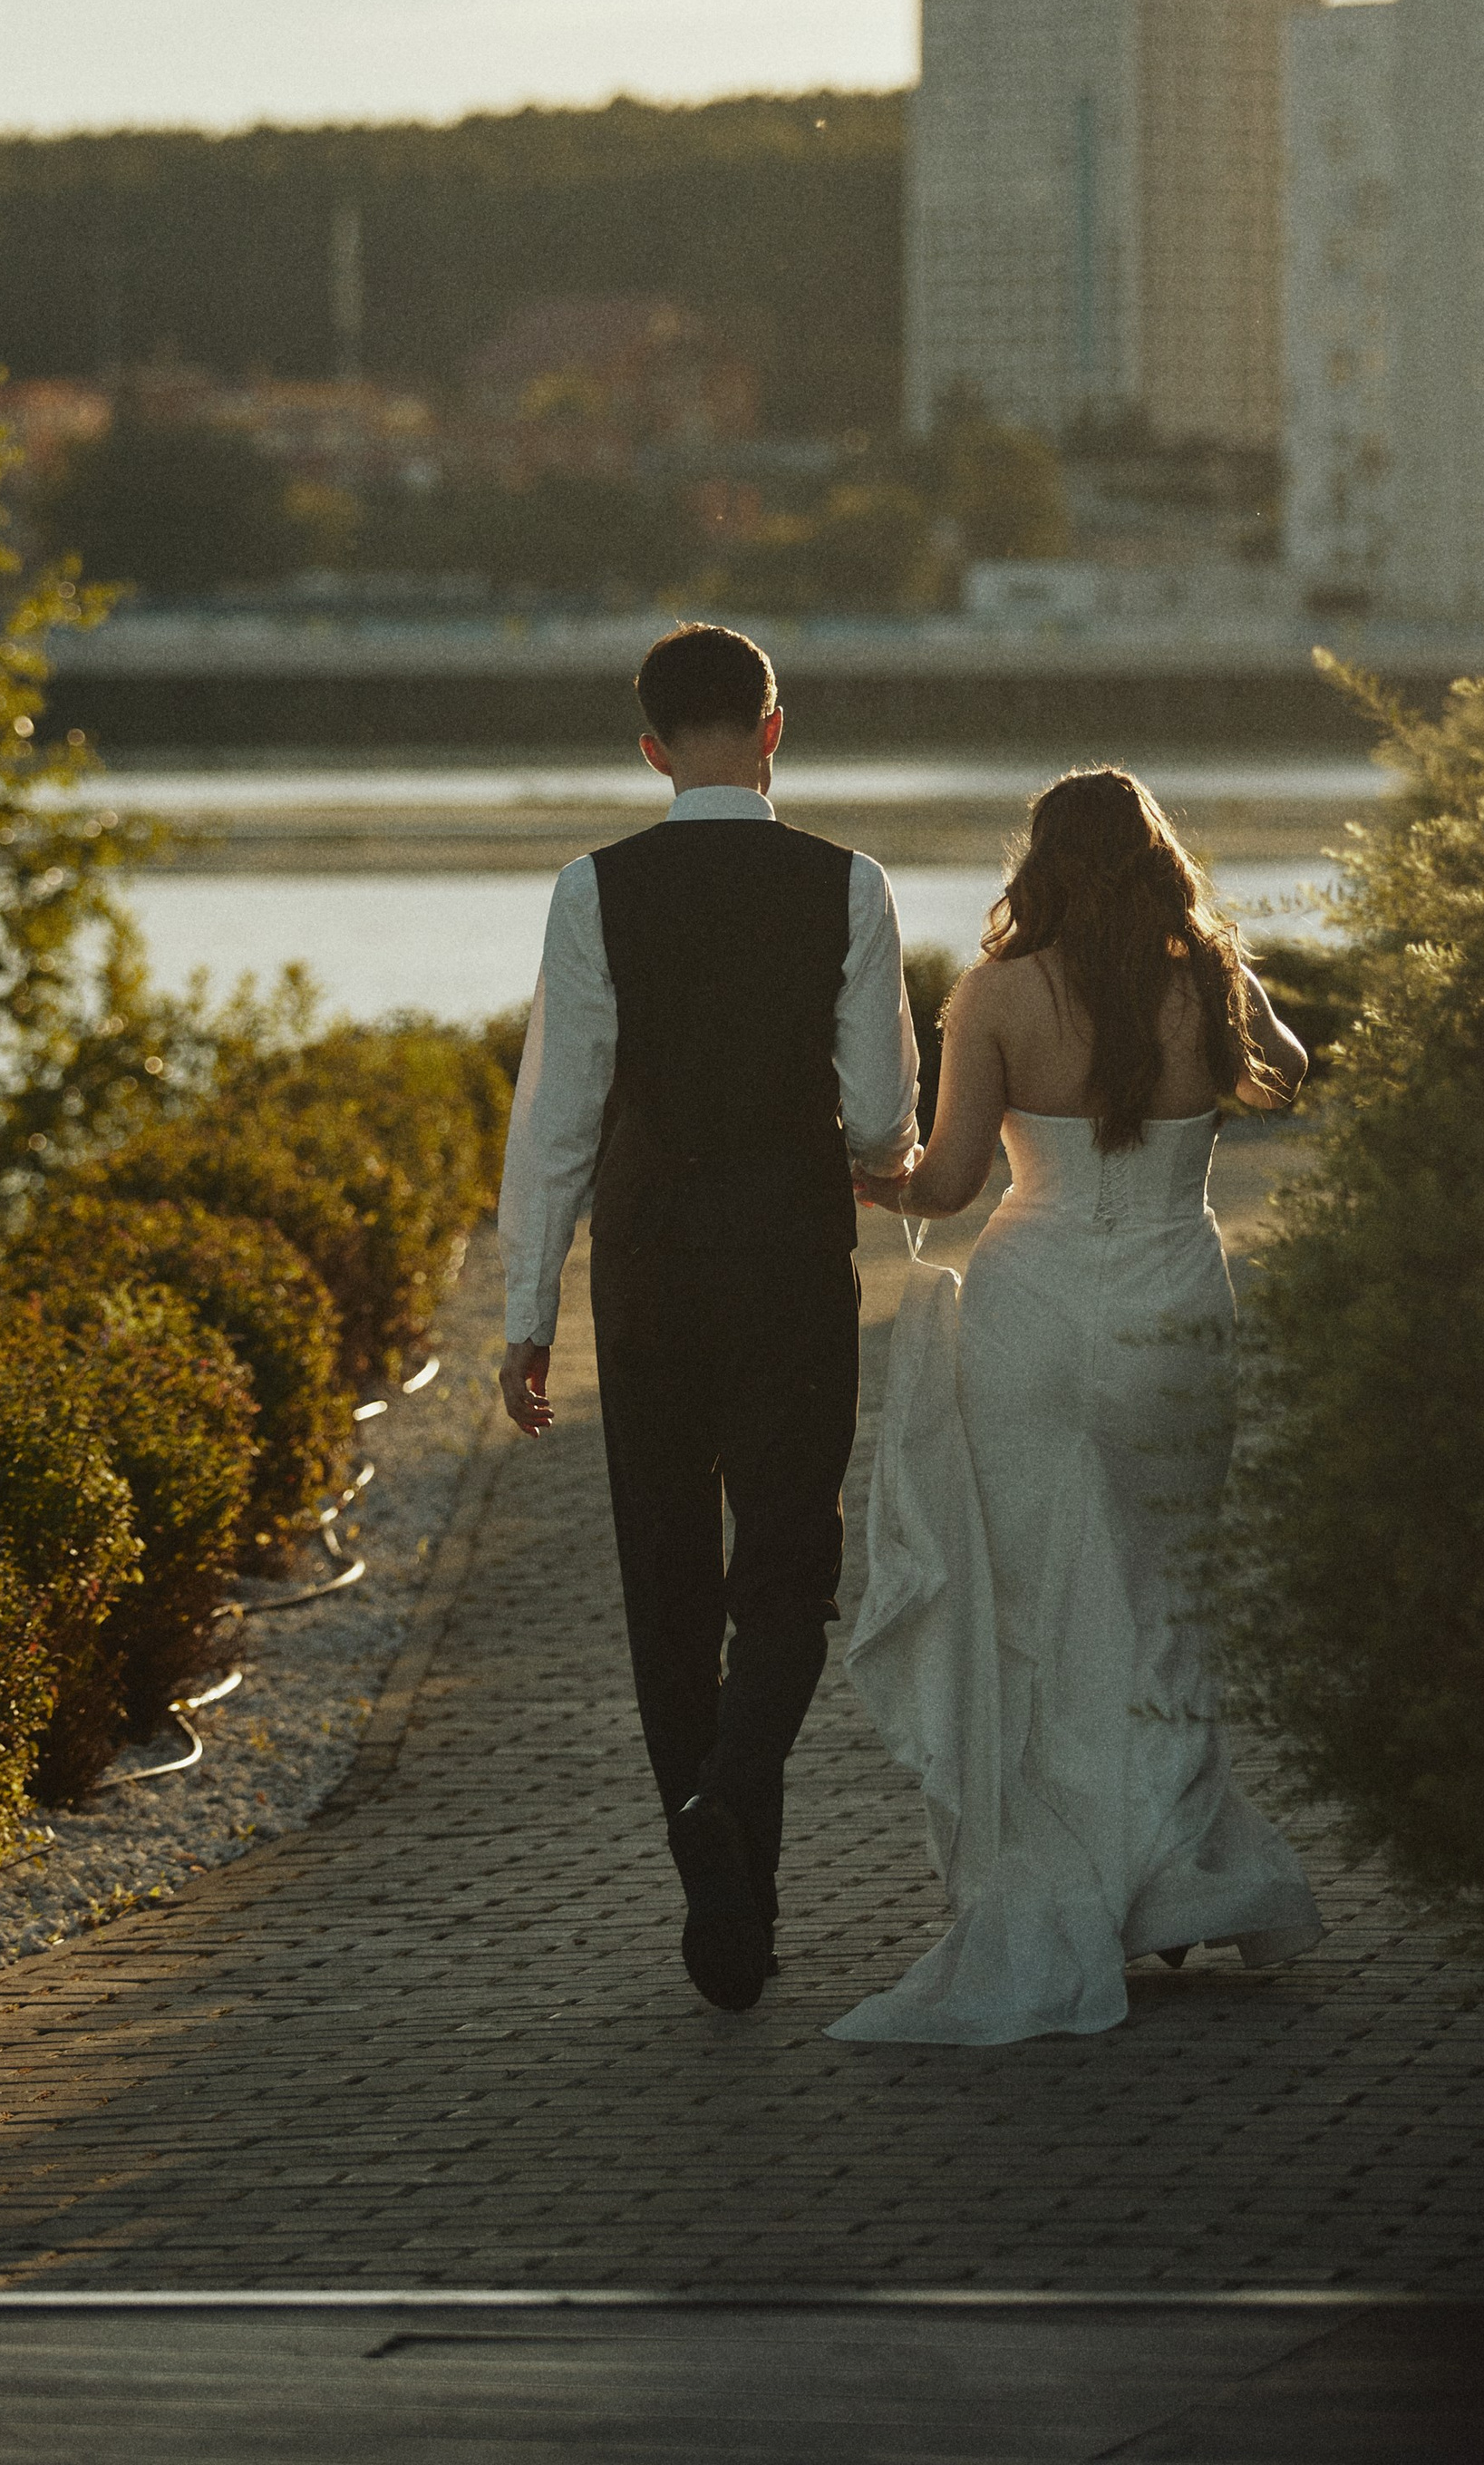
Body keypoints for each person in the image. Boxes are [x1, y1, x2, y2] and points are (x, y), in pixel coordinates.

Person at [829, 764, 1325, 2048]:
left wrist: (862, 1175)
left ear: (1038, 862)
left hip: (1033, 1308)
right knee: (1167, 1590)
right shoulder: (1203, 978)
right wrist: (1234, 975)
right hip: (1171, 1304)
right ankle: (1168, 1872)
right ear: (1158, 859)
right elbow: (1292, 1072)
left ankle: (1064, 1868)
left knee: (1040, 1596)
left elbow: (943, 1188)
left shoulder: (994, 992)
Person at [497, 622, 921, 2013]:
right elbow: (877, 1112)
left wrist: (524, 1308)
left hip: (652, 1261)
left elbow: (558, 1113)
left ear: (651, 749)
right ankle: (735, 1814)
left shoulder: (593, 888)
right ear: (776, 729)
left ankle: (721, 1872)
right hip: (793, 1254)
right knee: (791, 1565)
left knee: (667, 1575)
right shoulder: (848, 886)